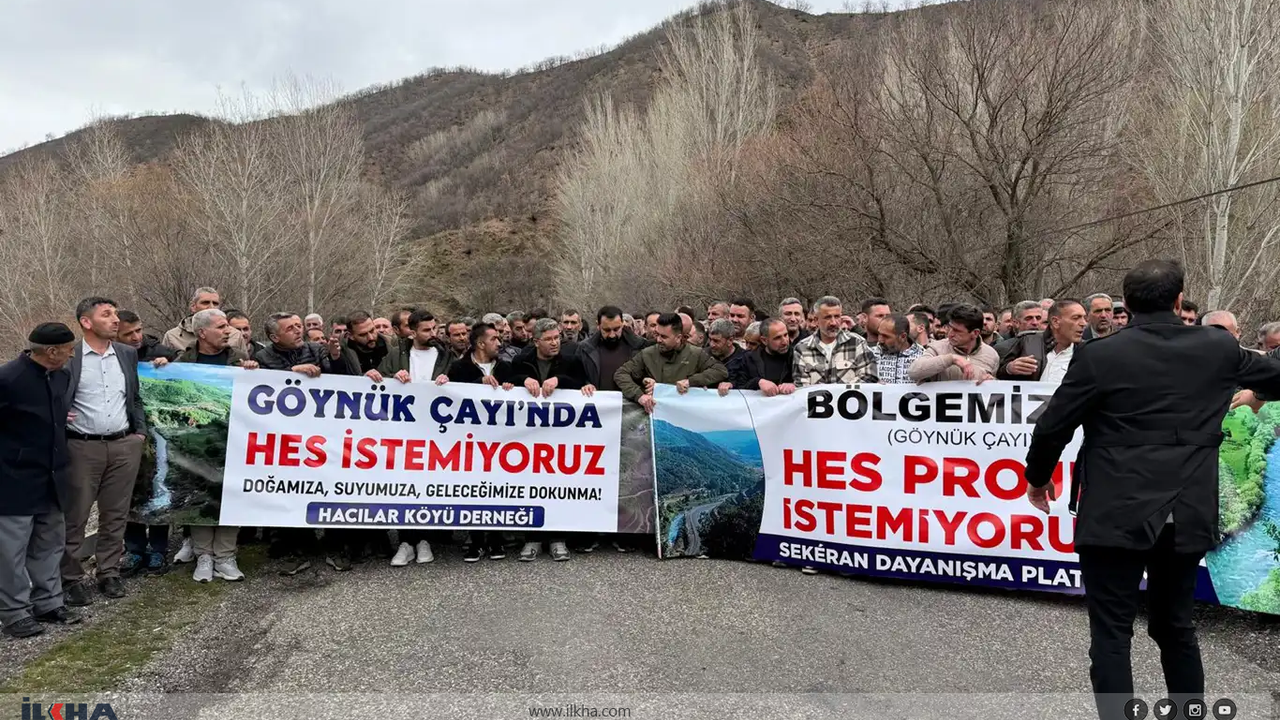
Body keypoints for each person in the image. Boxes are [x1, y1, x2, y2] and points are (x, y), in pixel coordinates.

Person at [1023, 260, 1280, 720]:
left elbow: (1052, 427)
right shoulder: (1218, 347)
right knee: (1175, 626)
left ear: (1126, 304)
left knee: (1111, 633)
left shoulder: (1099, 354)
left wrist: (1038, 479)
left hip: (1115, 508)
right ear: (1179, 301)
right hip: (1188, 508)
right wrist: (1256, 392)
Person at [62, 298, 147, 607]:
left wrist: (139, 433)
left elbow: (134, 396)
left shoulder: (126, 353)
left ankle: (108, 572)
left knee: (116, 513)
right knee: (76, 516)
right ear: (86, 322)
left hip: (124, 444)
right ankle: (70, 578)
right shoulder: (71, 357)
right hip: (82, 446)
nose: (115, 320)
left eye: (115, 314)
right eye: (106, 314)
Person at [0, 324, 81, 639]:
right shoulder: (8, 379)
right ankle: (14, 613)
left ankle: (49, 602)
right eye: (69, 349)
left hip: (53, 476)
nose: (72, 354)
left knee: (50, 543)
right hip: (14, 479)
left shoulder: (62, 376)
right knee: (10, 551)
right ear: (52, 351)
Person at [174, 309, 256, 583]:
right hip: (197, 442)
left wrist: (253, 372)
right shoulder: (183, 361)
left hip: (234, 440)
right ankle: (203, 556)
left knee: (232, 495)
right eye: (221, 327)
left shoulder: (239, 358)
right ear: (202, 333)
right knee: (200, 495)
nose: (227, 331)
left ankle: (225, 556)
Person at [507, 318, 589, 562]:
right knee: (531, 487)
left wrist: (559, 381)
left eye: (557, 338)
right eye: (549, 339)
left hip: (561, 436)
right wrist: (523, 380)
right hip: (529, 437)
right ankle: (531, 539)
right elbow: (508, 381)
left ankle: (557, 539)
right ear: (536, 341)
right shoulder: (521, 360)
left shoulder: (571, 360)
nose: (555, 343)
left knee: (558, 487)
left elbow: (581, 383)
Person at [379, 310, 453, 568]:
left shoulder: (446, 356)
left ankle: (424, 539)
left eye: (434, 328)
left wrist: (450, 381)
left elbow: (463, 384)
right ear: (411, 332)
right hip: (404, 432)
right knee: (405, 485)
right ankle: (406, 541)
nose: (432, 334)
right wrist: (391, 378)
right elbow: (377, 381)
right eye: (426, 330)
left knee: (429, 485)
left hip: (437, 433)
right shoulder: (396, 355)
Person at [437, 323, 513, 562]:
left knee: (498, 488)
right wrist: (476, 383)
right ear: (480, 343)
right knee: (473, 489)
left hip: (500, 440)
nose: (499, 343)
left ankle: (496, 539)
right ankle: (476, 540)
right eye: (494, 339)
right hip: (470, 439)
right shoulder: (459, 367)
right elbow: (450, 394)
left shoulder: (506, 367)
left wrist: (512, 388)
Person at [615, 313, 728, 414]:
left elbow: (720, 371)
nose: (658, 340)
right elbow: (621, 374)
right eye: (657, 335)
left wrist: (691, 381)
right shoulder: (647, 354)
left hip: (686, 413)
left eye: (664, 337)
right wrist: (639, 395)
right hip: (655, 414)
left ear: (678, 337)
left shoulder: (696, 354)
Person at [792, 296, 878, 387]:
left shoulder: (857, 343)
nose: (833, 322)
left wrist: (841, 393)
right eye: (827, 317)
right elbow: (801, 386)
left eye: (837, 316)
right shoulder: (802, 348)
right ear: (816, 320)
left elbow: (868, 376)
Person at [996, 299, 1087, 383]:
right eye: (1076, 318)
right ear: (1055, 322)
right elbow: (998, 375)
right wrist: (1009, 369)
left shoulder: (1087, 351)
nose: (1083, 323)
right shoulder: (1028, 342)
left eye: (1084, 318)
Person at [908, 304, 998, 384]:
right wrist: (951, 359)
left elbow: (996, 390)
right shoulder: (937, 348)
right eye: (950, 327)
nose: (950, 334)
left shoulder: (992, 355)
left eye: (957, 331)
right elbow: (914, 372)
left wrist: (991, 382)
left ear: (975, 333)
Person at [162, 287, 249, 353]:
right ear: (193, 306)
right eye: (205, 303)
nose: (211, 307)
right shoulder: (172, 337)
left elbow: (243, 368)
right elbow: (164, 367)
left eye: (215, 303)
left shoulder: (234, 335)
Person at [730, 318, 795, 395]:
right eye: (777, 338)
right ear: (764, 340)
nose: (784, 342)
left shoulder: (796, 356)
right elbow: (739, 387)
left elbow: (805, 383)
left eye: (785, 335)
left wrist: (793, 385)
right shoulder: (749, 359)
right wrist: (758, 382)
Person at [870, 314, 924, 384]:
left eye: (886, 336)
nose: (880, 340)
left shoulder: (923, 357)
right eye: (879, 334)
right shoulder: (869, 355)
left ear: (903, 336)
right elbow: (859, 386)